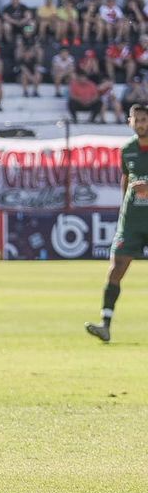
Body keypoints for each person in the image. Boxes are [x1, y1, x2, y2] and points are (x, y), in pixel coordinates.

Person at [86, 105, 148, 342]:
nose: (141, 123)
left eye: (144, 119)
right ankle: (105, 324)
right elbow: (126, 177)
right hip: (132, 220)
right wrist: (124, 205)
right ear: (130, 122)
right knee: (116, 268)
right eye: (137, 120)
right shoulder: (127, 150)